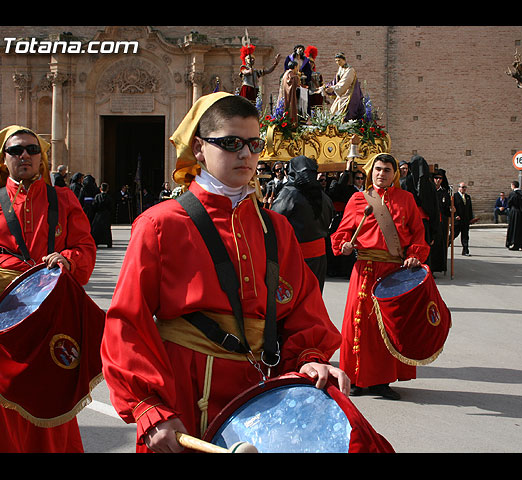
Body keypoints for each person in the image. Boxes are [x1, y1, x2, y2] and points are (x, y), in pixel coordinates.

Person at [100, 92, 362, 454]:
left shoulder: (276, 228)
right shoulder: (159, 224)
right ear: (199, 148)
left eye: (254, 144)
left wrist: (311, 359)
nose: (245, 154)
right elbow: (127, 322)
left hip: (259, 398)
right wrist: (149, 407)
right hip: (185, 396)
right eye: (230, 143)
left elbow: (303, 311)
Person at [0, 125, 97, 452]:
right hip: (2, 323)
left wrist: (65, 261)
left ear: (42, 159)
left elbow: (85, 248)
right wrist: (16, 273)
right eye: (15, 150)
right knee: (1, 406)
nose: (24, 155)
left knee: (51, 402)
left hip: (50, 319)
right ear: (3, 160)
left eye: (31, 150)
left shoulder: (64, 199)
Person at [331, 152, 430, 401]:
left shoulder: (406, 200)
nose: (381, 174)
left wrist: (415, 255)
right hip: (364, 269)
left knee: (387, 325)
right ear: (370, 171)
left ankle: (382, 381)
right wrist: (343, 245)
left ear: (394, 174)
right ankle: (354, 378)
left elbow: (418, 235)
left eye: (387, 170)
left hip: (393, 271)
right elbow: (342, 233)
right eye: (377, 169)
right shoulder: (357, 199)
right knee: (358, 324)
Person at [271, 156, 334, 292]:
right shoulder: (324, 196)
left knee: (293, 299)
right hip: (319, 257)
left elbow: (273, 222)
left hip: (295, 256)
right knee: (314, 296)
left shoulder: (289, 194)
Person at [324, 53, 365, 122]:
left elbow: (345, 82)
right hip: (342, 93)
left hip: (350, 94)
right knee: (333, 110)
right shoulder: (340, 69)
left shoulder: (350, 70)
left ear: (344, 60)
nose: (338, 63)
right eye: (336, 61)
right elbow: (335, 81)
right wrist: (326, 86)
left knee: (344, 110)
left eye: (339, 60)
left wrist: (333, 88)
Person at [453, 182, 474, 256]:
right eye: (462, 187)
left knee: (465, 236)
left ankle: (465, 250)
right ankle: (446, 245)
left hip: (465, 220)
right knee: (453, 234)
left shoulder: (467, 197)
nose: (464, 189)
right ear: (459, 188)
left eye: (465, 187)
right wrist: (455, 215)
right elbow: (452, 207)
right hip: (458, 220)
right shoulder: (454, 196)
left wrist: (471, 218)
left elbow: (470, 208)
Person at [278, 60, 301, 128]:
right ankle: (292, 124)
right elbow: (292, 83)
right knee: (290, 110)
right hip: (289, 96)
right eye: (297, 67)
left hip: (285, 95)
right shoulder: (290, 74)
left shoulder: (285, 74)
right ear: (295, 67)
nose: (297, 69)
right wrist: (297, 77)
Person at [506, 181, 522, 251]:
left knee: (514, 228)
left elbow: (509, 203)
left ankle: (515, 243)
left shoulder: (513, 194)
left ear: (513, 185)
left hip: (514, 212)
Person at [91, 182, 113, 248]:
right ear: (107, 189)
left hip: (98, 214)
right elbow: (111, 207)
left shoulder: (97, 196)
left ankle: (96, 242)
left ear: (100, 189)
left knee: (97, 229)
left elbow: (94, 205)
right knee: (106, 229)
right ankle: (108, 242)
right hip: (106, 214)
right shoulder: (109, 197)